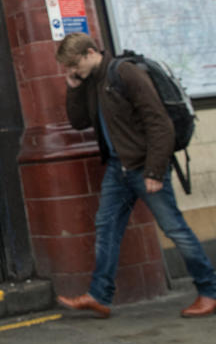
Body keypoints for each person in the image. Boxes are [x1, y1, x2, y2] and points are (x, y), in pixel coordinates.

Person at [55, 32, 216, 319]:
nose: (72, 71)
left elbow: (159, 122)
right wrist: (74, 87)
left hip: (144, 167)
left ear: (91, 52)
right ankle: (99, 296)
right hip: (118, 169)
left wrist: (155, 170)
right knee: (106, 228)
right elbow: (79, 122)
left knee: (175, 229)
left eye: (74, 65)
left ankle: (210, 291)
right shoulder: (91, 82)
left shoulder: (124, 73)